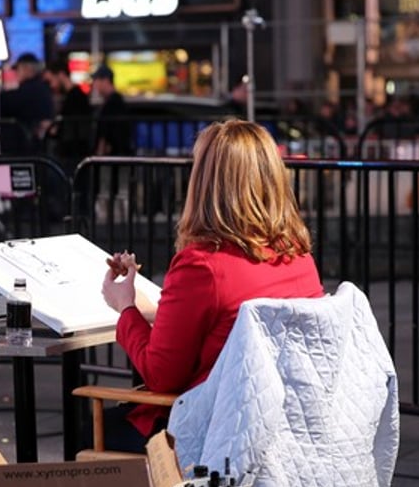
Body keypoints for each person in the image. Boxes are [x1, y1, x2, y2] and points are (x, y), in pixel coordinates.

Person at [98, 119, 324, 453]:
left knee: (88, 424)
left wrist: (125, 308)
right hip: (283, 424)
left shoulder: (202, 265)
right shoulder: (298, 255)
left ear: (205, 182)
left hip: (212, 431)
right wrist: (153, 309)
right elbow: (231, 324)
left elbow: (162, 378)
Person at [43, 58, 93, 169]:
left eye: (51, 81)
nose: (51, 86)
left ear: (60, 74)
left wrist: (54, 128)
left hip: (73, 154)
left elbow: (70, 128)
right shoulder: (76, 95)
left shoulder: (74, 97)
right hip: (76, 153)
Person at [0, 52, 54, 152]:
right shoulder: (41, 87)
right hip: (38, 147)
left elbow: (7, 103)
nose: (16, 73)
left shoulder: (30, 89)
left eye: (18, 69)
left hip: (28, 148)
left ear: (27, 69)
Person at [90, 64, 131, 156]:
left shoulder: (113, 102)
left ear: (106, 81)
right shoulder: (115, 100)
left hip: (113, 156)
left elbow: (106, 130)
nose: (94, 84)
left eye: (96, 80)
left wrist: (100, 152)